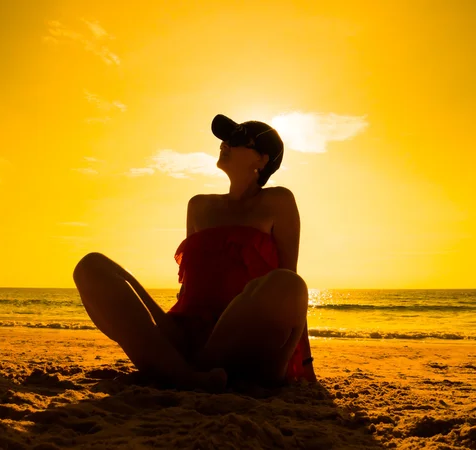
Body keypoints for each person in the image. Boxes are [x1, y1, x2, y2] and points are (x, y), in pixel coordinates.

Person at [73, 114, 316, 392]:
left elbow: (289, 285)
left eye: (237, 139)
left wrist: (305, 362)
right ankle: (186, 374)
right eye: (225, 138)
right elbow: (187, 286)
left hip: (245, 336)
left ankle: (181, 371)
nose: (224, 143)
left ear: (262, 159)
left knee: (289, 284)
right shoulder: (199, 206)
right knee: (91, 266)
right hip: (187, 333)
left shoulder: (278, 201)